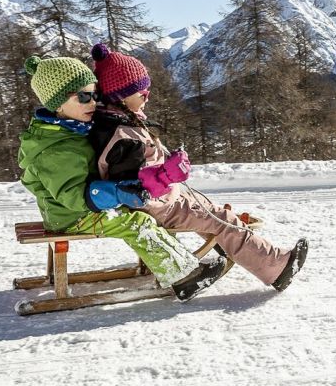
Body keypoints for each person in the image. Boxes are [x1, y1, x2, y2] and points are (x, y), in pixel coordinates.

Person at [88, 43, 309, 292]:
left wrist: (167, 162)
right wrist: (167, 173)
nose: (147, 95)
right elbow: (131, 186)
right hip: (157, 207)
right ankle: (276, 267)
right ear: (120, 96)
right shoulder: (122, 135)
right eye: (141, 92)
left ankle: (235, 250)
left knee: (211, 210)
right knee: (221, 219)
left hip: (163, 200)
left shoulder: (120, 123)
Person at [17, 55, 227, 302]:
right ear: (57, 103)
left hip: (81, 208)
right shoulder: (55, 149)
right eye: (84, 97)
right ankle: (184, 277)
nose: (93, 102)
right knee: (137, 224)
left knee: (145, 214)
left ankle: (174, 264)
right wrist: (115, 193)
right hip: (72, 216)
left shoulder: (70, 130)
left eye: (95, 95)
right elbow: (73, 196)